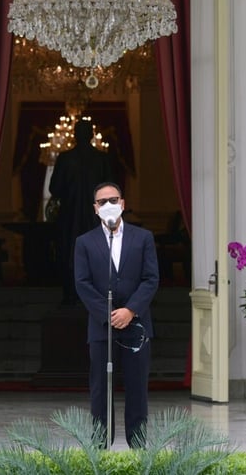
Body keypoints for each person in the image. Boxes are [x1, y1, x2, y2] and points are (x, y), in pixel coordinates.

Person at [73, 182, 159, 448]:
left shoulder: (142, 238)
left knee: (136, 387)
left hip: (137, 326)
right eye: (102, 201)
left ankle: (138, 444)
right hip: (102, 327)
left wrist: (130, 310)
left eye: (113, 199)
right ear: (95, 208)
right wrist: (109, 315)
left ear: (122, 203)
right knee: (100, 388)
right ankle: (100, 443)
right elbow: (82, 283)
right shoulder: (85, 242)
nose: (108, 204)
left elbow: (150, 278)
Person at [50, 119, 113, 303]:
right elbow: (112, 187)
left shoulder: (65, 158)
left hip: (70, 216)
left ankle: (70, 296)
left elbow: (55, 188)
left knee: (70, 253)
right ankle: (95, 295)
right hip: (97, 217)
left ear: (76, 135)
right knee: (97, 254)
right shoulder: (102, 158)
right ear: (92, 135)